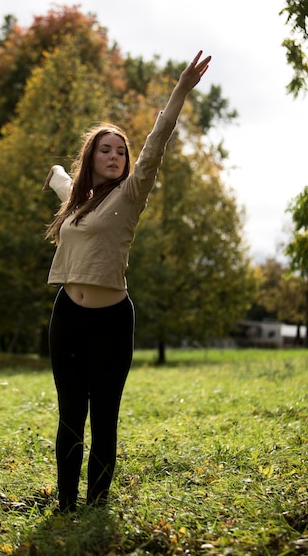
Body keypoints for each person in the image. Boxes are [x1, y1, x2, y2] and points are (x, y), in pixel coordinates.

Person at [43, 50, 211, 512]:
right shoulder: (76, 203)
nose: (116, 156)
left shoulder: (132, 194)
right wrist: (56, 174)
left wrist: (180, 90)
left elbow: (157, 141)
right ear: (92, 157)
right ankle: (66, 505)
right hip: (68, 318)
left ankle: (97, 505)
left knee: (106, 417)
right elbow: (64, 184)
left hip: (112, 322)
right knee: (70, 413)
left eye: (121, 151)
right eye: (106, 149)